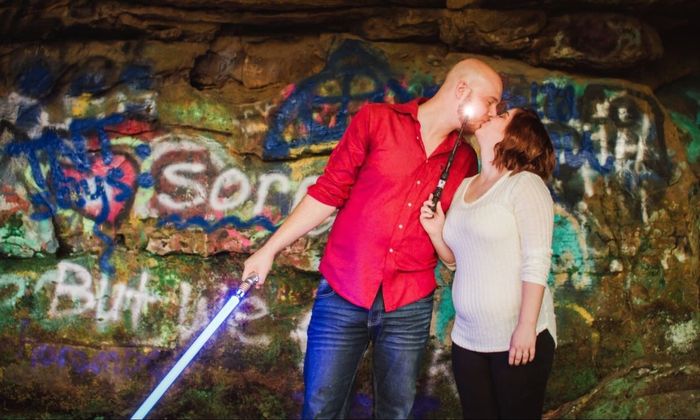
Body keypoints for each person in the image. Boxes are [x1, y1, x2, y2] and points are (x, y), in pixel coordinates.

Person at [242, 59, 503, 418]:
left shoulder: (465, 161)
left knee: (395, 412)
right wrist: (268, 250)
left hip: (409, 303)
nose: (493, 112)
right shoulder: (376, 120)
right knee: (320, 407)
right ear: (462, 90)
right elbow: (328, 192)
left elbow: (460, 241)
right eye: (490, 101)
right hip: (344, 290)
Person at [419, 108, 557, 419]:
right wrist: (436, 232)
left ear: (517, 135)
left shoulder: (524, 184)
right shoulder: (465, 186)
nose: (491, 115)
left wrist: (526, 327)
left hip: (517, 336)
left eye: (502, 114)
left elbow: (536, 260)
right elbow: (457, 262)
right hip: (468, 339)